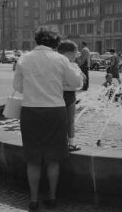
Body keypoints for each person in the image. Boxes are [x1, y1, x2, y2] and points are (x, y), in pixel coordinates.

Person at [13, 27, 83, 211]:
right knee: (53, 159)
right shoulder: (61, 59)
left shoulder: (24, 59)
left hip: (30, 111)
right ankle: (51, 197)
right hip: (54, 111)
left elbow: (18, 86)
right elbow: (77, 83)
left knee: (33, 159)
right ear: (56, 42)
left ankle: (34, 200)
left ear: (37, 40)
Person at [58, 40, 84, 152]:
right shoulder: (71, 66)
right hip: (69, 95)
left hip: (57, 94)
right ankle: (71, 144)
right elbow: (80, 82)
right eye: (75, 53)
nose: (76, 55)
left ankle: (60, 143)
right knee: (70, 121)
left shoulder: (54, 63)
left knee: (59, 121)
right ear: (68, 53)